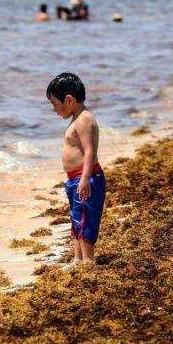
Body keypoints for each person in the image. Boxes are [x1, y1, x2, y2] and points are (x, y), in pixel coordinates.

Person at [46, 73, 105, 264]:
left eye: (55, 104)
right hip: (75, 178)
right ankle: (78, 258)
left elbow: (89, 151)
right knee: (77, 218)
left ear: (69, 100)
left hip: (85, 178)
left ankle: (88, 259)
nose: (54, 110)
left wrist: (85, 178)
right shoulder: (77, 118)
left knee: (86, 218)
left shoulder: (83, 119)